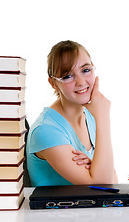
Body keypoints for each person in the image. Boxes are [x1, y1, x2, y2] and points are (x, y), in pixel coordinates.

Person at [26, 40, 118, 186]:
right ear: (53, 83)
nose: (81, 82)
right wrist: (104, 117)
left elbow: (113, 180)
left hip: (89, 208)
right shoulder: (46, 130)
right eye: (68, 76)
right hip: (59, 209)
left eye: (86, 70)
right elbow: (103, 186)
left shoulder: (90, 117)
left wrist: (96, 167)